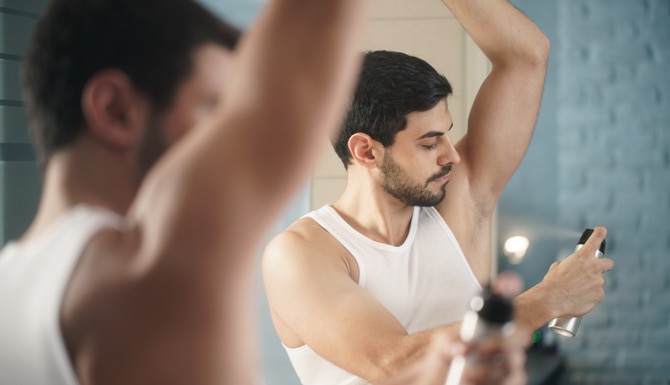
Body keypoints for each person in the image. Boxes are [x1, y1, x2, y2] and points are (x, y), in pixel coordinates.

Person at [0, 0, 368, 384]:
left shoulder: (10, 290)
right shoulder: (141, 271)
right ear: (116, 109)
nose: (224, 139)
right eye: (214, 110)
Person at [262, 0, 615, 384]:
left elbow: (526, 56)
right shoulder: (300, 254)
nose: (453, 156)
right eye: (430, 144)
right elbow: (395, 363)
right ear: (366, 151)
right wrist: (548, 299)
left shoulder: (459, 201)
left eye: (447, 132)